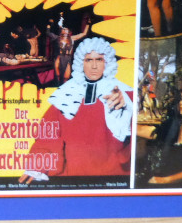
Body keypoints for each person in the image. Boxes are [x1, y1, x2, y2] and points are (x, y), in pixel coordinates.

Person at [19, 37, 133, 182]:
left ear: (107, 62)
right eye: (88, 60)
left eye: (99, 59)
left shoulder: (125, 94)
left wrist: (127, 106)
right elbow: (47, 136)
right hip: (74, 174)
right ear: (81, 63)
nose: (94, 66)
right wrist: (37, 166)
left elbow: (138, 135)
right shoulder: (65, 95)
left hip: (112, 174)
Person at [136, 80, 182, 187]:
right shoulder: (175, 126)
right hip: (158, 180)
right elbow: (153, 133)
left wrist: (165, 180)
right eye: (181, 98)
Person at [46, 19, 90, 84]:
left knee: (66, 77)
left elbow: (84, 33)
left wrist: (88, 24)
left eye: (66, 29)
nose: (65, 30)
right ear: (61, 31)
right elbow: (48, 33)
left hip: (67, 58)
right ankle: (58, 87)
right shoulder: (57, 38)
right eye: (64, 29)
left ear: (69, 31)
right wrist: (49, 25)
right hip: (59, 58)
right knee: (58, 76)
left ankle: (64, 88)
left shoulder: (72, 38)